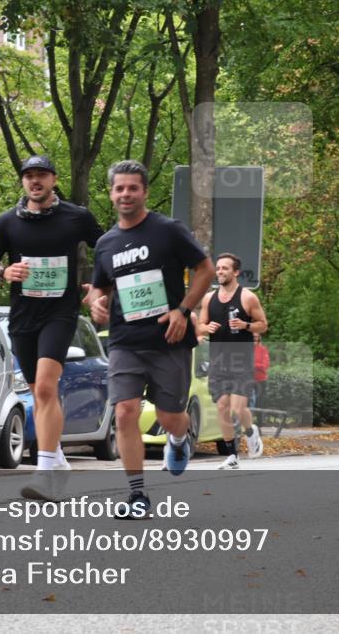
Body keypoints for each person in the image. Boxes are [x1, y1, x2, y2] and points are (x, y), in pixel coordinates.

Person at [83, 160, 214, 518]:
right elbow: (99, 286)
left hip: (168, 339)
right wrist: (96, 302)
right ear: (111, 194)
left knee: (171, 416)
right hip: (125, 340)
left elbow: (206, 269)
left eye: (132, 188)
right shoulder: (106, 243)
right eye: (119, 188)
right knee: (125, 412)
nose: (126, 194)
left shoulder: (168, 230)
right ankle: (137, 495)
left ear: (144, 192)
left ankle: (178, 437)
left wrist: (183, 310)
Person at [0, 155, 103, 501]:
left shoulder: (76, 217)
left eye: (41, 176)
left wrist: (96, 284)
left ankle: (45, 471)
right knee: (38, 393)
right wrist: (3, 272)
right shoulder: (7, 222)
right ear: (23, 182)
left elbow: (106, 248)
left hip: (59, 314)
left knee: (47, 388)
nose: (35, 181)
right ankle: (58, 458)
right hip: (22, 317)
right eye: (29, 176)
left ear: (53, 179)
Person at [199, 252, 269, 470]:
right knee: (222, 407)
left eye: (225, 268)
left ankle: (250, 431)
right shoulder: (209, 298)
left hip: (241, 358)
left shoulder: (247, 297)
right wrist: (205, 328)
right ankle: (232, 456)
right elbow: (200, 326)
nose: (220, 271)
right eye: (218, 268)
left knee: (238, 409)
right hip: (218, 359)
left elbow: (263, 324)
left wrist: (246, 326)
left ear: (236, 272)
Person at [251, 332, 270, 409]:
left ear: (259, 338)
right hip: (247, 379)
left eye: (257, 337)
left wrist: (252, 365)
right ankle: (246, 419)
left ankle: (260, 420)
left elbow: (265, 366)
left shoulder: (263, 349)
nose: (255, 338)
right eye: (253, 337)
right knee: (246, 401)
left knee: (260, 401)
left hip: (261, 379)